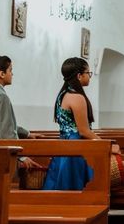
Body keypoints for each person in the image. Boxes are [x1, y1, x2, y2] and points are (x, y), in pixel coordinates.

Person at [43, 57, 119, 190]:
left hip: (64, 144)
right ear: (79, 75)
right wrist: (106, 145)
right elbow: (83, 131)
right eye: (88, 73)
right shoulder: (77, 97)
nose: (90, 77)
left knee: (62, 185)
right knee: (76, 187)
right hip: (76, 147)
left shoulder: (63, 94)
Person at [0, 55, 40, 170]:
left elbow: (3, 123)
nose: (12, 74)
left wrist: (27, 134)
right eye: (10, 70)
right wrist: (22, 157)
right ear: (1, 74)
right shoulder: (1, 96)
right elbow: (6, 131)